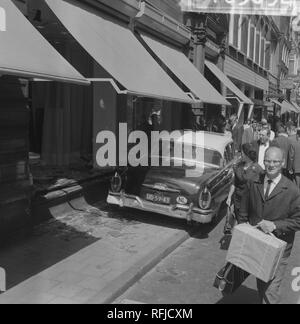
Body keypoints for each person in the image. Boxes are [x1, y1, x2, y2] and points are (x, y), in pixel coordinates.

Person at [239, 147, 300, 304]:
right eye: (268, 161)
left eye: (275, 161)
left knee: (270, 290)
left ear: (282, 163)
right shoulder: (253, 182)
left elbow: (298, 220)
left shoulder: (292, 190)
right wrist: (242, 227)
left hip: (278, 249)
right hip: (256, 242)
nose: (271, 165)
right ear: (263, 161)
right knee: (259, 282)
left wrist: (274, 225)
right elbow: (244, 208)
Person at [224, 143, 263, 234]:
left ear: (246, 154)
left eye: (242, 153)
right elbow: (234, 182)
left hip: (250, 201)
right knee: (239, 221)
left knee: (248, 224)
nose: (240, 155)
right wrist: (229, 197)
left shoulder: (258, 169)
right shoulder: (238, 166)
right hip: (238, 199)